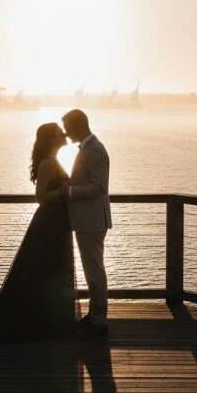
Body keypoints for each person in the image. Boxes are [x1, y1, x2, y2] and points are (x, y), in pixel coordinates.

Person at [0, 123, 78, 343]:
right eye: (60, 131)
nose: (64, 133)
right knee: (45, 270)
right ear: (51, 138)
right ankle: (43, 322)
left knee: (51, 270)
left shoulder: (53, 161)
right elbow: (40, 196)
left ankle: (48, 320)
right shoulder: (48, 164)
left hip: (57, 222)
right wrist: (62, 190)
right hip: (49, 222)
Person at [61, 109, 112, 339]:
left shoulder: (96, 150)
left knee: (95, 272)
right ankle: (94, 316)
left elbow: (99, 186)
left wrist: (70, 191)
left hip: (92, 221)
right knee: (92, 271)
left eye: (67, 127)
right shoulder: (88, 148)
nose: (65, 132)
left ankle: (99, 321)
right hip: (87, 220)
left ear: (78, 125)